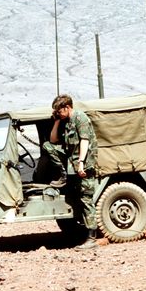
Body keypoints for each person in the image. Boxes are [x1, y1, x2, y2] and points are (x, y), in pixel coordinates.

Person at [43, 94, 98, 249]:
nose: (58, 113)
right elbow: (53, 141)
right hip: (71, 164)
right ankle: (63, 175)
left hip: (84, 165)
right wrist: (57, 121)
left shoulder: (81, 119)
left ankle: (91, 239)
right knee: (48, 146)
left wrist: (81, 163)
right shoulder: (66, 121)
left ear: (67, 107)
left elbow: (85, 141)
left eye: (59, 111)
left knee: (86, 200)